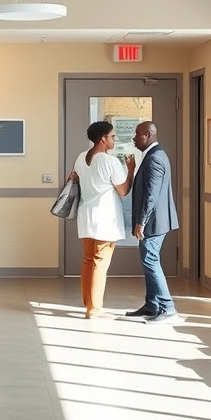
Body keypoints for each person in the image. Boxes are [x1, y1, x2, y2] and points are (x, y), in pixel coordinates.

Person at [69, 121, 136, 319]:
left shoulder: (81, 158)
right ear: (103, 139)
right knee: (100, 262)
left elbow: (74, 178)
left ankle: (89, 304)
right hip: (105, 219)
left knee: (88, 260)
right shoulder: (109, 161)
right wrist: (131, 170)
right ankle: (95, 308)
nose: (115, 139)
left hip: (86, 217)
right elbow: (123, 191)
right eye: (112, 136)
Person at [125, 122, 181, 323]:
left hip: (154, 222)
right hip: (154, 221)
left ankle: (168, 307)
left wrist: (141, 221)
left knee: (150, 260)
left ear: (148, 135)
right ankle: (152, 305)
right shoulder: (153, 155)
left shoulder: (155, 158)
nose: (134, 138)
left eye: (137, 134)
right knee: (148, 259)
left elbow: (151, 195)